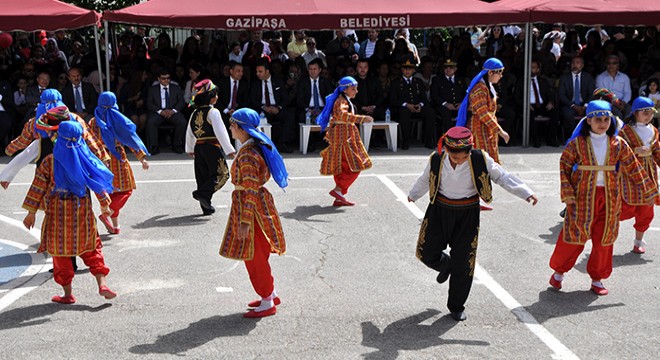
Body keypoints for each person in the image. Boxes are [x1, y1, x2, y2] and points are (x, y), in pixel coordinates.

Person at [407, 126, 537, 321]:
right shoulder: (437, 158)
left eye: (462, 157)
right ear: (447, 150)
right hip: (439, 211)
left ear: (470, 150)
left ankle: (456, 305)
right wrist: (413, 194)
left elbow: (502, 177)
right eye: (454, 156)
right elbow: (425, 179)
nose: (458, 161)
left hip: (467, 214)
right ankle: (445, 264)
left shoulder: (480, 158)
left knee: (464, 261)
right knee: (425, 252)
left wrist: (525, 192)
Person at [548, 100, 657, 296]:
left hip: (610, 198)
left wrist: (649, 192)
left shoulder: (618, 143)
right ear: (588, 120)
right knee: (574, 236)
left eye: (606, 119)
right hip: (582, 197)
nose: (603, 123)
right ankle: (558, 272)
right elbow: (564, 167)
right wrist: (568, 194)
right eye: (598, 119)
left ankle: (597, 278)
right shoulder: (577, 144)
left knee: (604, 239)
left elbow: (634, 168)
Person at [22, 113, 117, 304]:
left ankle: (67, 294)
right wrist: (105, 205)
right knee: (92, 249)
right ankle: (102, 284)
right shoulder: (85, 158)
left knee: (60, 255)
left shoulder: (50, 160)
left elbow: (38, 186)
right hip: (82, 211)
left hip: (57, 214)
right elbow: (97, 182)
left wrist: (31, 213)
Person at [221, 108, 288, 318]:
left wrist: (245, 221)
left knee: (255, 256)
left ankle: (267, 300)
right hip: (258, 204)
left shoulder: (249, 154)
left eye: (233, 125)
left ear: (241, 128)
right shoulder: (254, 146)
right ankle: (270, 293)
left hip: (252, 209)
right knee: (257, 254)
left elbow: (250, 189)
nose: (230, 128)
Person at [90, 92, 150, 234]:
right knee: (126, 189)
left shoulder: (93, 122)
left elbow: (88, 142)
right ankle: (108, 213)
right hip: (117, 158)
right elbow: (130, 140)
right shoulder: (118, 119)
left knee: (110, 193)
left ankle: (115, 226)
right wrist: (142, 158)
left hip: (100, 160)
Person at [317, 76, 373, 206]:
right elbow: (343, 115)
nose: (356, 91)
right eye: (353, 89)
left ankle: (339, 196)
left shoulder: (343, 100)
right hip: (344, 139)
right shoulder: (341, 102)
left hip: (343, 137)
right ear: (345, 89)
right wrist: (362, 118)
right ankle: (338, 190)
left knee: (341, 167)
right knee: (356, 165)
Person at [185, 80, 236, 215]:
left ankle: (206, 207)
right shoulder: (213, 112)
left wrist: (189, 148)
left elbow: (189, 132)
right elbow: (221, 132)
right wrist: (230, 150)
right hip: (212, 147)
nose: (217, 97)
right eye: (215, 94)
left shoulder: (194, 113)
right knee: (222, 174)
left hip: (198, 147)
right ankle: (202, 194)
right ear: (210, 97)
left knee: (202, 177)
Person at [618, 97, 660, 254]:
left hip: (649, 173)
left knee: (646, 210)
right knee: (624, 206)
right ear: (635, 113)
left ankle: (638, 241)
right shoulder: (625, 131)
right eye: (645, 112)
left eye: (651, 113)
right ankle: (604, 235)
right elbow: (616, 151)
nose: (648, 116)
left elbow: (657, 152)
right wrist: (635, 151)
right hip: (630, 174)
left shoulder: (654, 131)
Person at [456, 58, 509, 164]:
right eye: (499, 73)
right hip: (478, 128)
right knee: (480, 161)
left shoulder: (487, 86)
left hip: (487, 128)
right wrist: (500, 131)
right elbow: (483, 114)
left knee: (488, 161)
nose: (501, 76)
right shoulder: (479, 89)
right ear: (490, 72)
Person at [390, 56, 437, 150]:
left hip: (417, 107)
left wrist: (420, 105)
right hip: (403, 108)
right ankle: (405, 141)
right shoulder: (396, 82)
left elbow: (424, 98)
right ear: (402, 69)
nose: (407, 71)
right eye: (405, 69)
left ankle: (429, 140)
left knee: (430, 112)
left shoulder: (418, 82)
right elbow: (393, 100)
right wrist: (406, 105)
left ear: (414, 70)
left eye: (410, 69)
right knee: (404, 112)